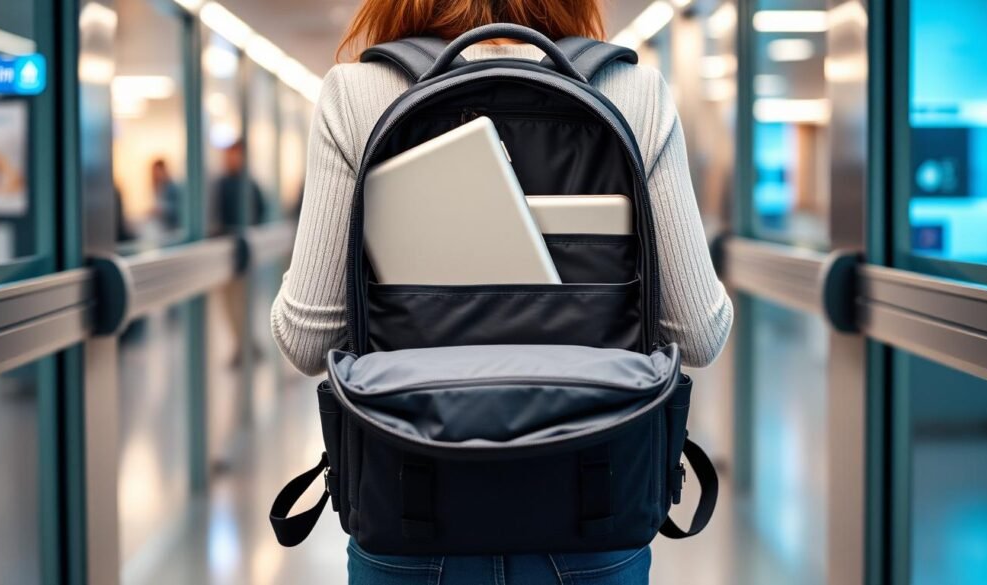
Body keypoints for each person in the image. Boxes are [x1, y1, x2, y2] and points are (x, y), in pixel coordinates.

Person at [271, 1, 734, 583]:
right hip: (594, 500)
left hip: (410, 501)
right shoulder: (632, 91)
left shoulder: (355, 93)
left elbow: (308, 340)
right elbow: (700, 332)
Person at [215, 140, 266, 366]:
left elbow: (261, 211)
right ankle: (243, 345)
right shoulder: (222, 183)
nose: (229, 159)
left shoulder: (249, 185)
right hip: (225, 255)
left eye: (234, 154)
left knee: (243, 301)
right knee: (230, 304)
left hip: (244, 254)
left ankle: (246, 344)